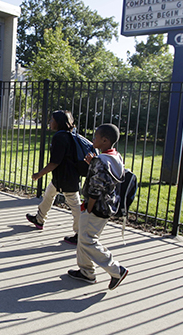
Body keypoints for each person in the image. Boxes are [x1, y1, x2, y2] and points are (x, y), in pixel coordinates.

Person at [67, 123, 129, 290]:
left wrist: (88, 207)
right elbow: (105, 179)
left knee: (88, 240)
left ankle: (116, 270)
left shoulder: (101, 160)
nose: (93, 138)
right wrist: (92, 165)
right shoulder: (115, 157)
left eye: (96, 136)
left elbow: (95, 188)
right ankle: (86, 271)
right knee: (84, 237)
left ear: (105, 140)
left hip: (95, 207)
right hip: (107, 205)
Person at [26, 110, 82, 245]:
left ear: (58, 122)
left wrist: (39, 174)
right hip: (63, 177)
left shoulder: (60, 138)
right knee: (49, 194)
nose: (50, 122)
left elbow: (54, 162)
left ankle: (81, 234)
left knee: (75, 205)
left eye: (52, 120)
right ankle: (39, 219)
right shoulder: (69, 135)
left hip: (66, 178)